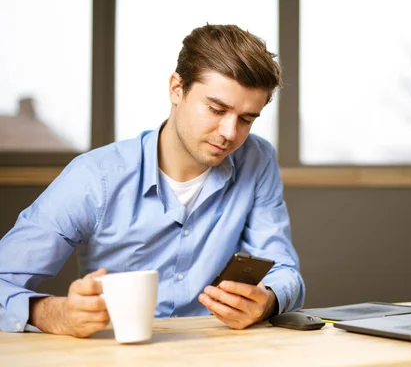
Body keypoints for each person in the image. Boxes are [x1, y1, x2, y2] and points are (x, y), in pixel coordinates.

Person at [0, 24, 305, 337]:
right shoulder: (95, 177)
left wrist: (266, 301)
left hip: (216, 352)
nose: (229, 133)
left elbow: (284, 271)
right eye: (216, 109)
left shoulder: (257, 159)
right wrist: (53, 313)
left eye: (245, 119)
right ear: (176, 88)